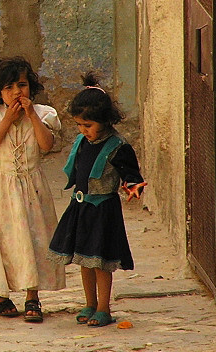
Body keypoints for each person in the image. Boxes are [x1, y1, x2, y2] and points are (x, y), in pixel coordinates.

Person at [48, 72, 146, 328]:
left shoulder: (118, 146)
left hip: (103, 210)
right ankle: (89, 303)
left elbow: (131, 174)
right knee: (84, 258)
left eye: (88, 125)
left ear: (105, 121)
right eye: (79, 125)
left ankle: (104, 308)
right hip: (80, 207)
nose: (83, 130)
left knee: (101, 261)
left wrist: (133, 187)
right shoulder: (81, 142)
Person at [0, 57, 66, 323]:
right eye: (9, 87)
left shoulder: (44, 113)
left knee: (35, 238)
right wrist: (8, 120)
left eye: (22, 85)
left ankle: (32, 296)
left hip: (33, 185)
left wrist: (31, 115)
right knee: (6, 240)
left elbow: (46, 145)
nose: (17, 92)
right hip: (2, 186)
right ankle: (0, 293)